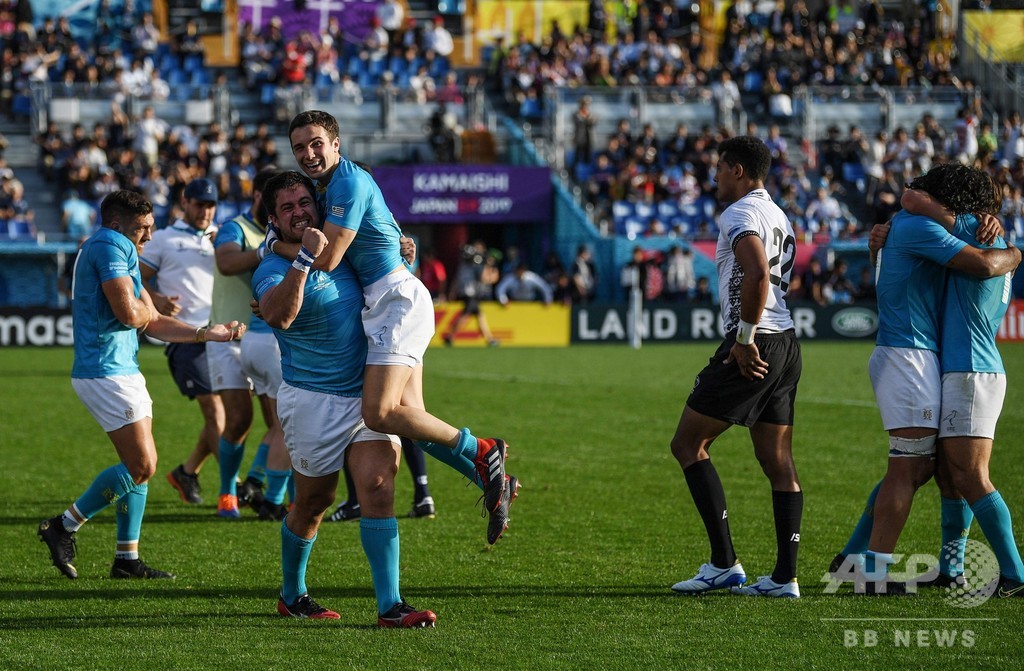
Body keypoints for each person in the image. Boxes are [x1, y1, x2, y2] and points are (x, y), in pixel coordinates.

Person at [269, 110, 515, 544]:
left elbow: (325, 259)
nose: (308, 154)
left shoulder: (346, 181)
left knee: (379, 413)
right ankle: (492, 480)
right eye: (299, 148)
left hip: (395, 303)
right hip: (386, 303)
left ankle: (483, 450)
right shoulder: (331, 189)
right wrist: (406, 249)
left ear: (336, 144)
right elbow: (390, 237)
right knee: (409, 418)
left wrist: (272, 245)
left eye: (316, 144)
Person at [830, 163, 1023, 595]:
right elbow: (916, 211)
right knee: (925, 469)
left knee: (952, 473)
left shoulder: (966, 229)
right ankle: (872, 564)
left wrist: (1012, 254)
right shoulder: (970, 231)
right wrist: (1016, 252)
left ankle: (1011, 575)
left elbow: (915, 202)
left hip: (958, 365)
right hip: (930, 359)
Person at [254, 171, 435, 626]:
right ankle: (292, 594)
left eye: (303, 202)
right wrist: (301, 263)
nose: (299, 212)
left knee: (378, 488)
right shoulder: (270, 268)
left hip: (367, 390)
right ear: (273, 221)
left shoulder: (344, 251)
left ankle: (390, 606)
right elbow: (278, 315)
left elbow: (384, 278)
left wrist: (403, 250)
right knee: (313, 503)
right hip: (312, 400)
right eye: (287, 208)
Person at [37, 190, 244, 581]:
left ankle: (126, 559)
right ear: (117, 224)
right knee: (143, 465)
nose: (148, 237)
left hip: (121, 368)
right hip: (105, 371)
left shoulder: (114, 245)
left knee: (142, 466)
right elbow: (132, 314)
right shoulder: (111, 244)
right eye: (142, 229)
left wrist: (206, 333)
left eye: (151, 227)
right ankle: (63, 526)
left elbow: (152, 320)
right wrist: (149, 308)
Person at [669, 136, 803, 599]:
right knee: (777, 461)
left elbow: (758, 273)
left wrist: (744, 338)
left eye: (720, 169)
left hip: (755, 340)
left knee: (688, 443)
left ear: (739, 172)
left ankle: (724, 564)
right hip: (786, 340)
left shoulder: (740, 213)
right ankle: (785, 578)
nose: (715, 177)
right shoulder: (779, 214)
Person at [207, 167, 292, 520]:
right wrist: (266, 251)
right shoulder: (235, 227)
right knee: (240, 420)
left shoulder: (280, 230)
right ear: (258, 196)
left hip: (261, 332)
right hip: (226, 335)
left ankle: (258, 484)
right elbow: (226, 263)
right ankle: (229, 492)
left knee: (277, 421)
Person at [142, 178, 223, 513]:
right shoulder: (162, 239)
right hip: (186, 336)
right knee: (216, 413)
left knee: (229, 420)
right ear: (185, 203)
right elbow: (137, 276)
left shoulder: (222, 235)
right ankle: (235, 488)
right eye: (199, 204)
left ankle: (186, 473)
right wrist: (157, 298)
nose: (205, 211)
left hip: (223, 333)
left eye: (210, 205)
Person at [443, 242, 499, 347]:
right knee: (465, 316)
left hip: (466, 293)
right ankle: (450, 336)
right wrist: (490, 267)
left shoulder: (462, 266)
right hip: (471, 294)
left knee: (480, 316)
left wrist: (452, 292)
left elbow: (456, 280)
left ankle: (489, 339)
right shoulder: (473, 266)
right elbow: (484, 279)